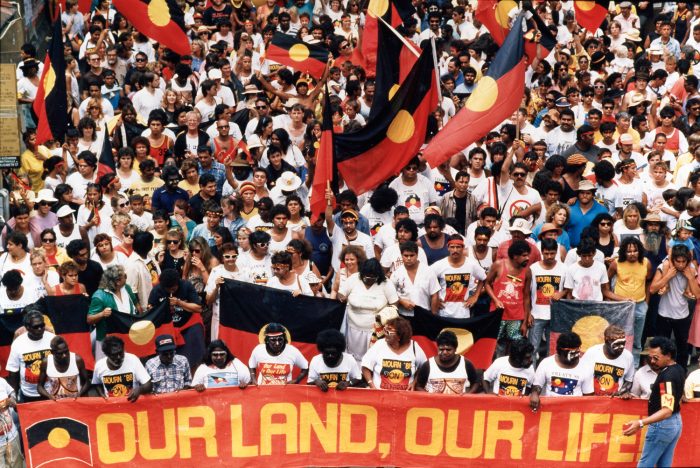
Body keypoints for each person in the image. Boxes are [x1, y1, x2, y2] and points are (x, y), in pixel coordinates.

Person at [623, 337, 685, 468]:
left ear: (668, 356)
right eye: (650, 357)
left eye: (656, 358)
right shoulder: (679, 369)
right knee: (664, 463)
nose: (652, 361)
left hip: (662, 425)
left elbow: (667, 410)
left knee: (645, 464)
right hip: (676, 422)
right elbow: (677, 398)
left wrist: (640, 423)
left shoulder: (666, 377)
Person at [338, 259, 399, 363]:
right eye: (366, 276)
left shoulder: (386, 283)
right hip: (353, 328)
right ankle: (356, 375)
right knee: (353, 355)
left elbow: (394, 303)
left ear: (378, 276)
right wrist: (342, 297)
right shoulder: (353, 279)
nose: (369, 279)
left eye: (373, 277)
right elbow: (341, 293)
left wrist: (385, 316)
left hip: (375, 329)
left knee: (372, 356)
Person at [649, 244, 700, 369]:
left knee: (682, 349)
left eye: (684, 261)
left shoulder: (691, 269)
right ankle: (661, 372)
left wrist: (690, 278)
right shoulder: (664, 267)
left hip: (682, 315)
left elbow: (697, 295)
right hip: (664, 315)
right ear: (673, 260)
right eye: (678, 261)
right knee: (662, 348)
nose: (681, 264)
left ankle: (681, 373)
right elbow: (652, 289)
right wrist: (667, 276)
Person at [607, 237, 652, 366]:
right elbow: (606, 281)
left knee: (637, 339)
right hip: (621, 306)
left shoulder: (646, 263)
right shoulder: (616, 263)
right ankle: (618, 363)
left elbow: (648, 282)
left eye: (635, 251)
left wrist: (646, 302)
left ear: (640, 251)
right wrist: (612, 299)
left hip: (640, 305)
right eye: (629, 251)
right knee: (619, 336)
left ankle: (635, 365)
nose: (632, 254)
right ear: (623, 252)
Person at [148, 269, 205, 369]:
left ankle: (193, 371)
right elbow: (150, 308)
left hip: (187, 324)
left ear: (178, 283)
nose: (170, 291)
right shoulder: (157, 289)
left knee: (193, 352)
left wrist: (180, 303)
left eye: (173, 289)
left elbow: (198, 308)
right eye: (168, 289)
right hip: (166, 327)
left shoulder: (186, 286)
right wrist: (155, 309)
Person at [484, 240, 533, 356]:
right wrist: (496, 300)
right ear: (515, 256)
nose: (527, 258)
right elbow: (487, 284)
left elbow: (526, 297)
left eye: (528, 255)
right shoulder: (499, 265)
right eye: (524, 255)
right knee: (495, 346)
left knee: (515, 346)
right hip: (497, 315)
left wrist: (525, 322)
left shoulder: (527, 271)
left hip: (516, 316)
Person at [529, 332, 594, 411]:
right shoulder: (546, 363)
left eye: (576, 354)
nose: (574, 358)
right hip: (549, 411)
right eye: (571, 355)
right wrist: (535, 393)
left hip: (574, 413)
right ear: (559, 351)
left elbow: (588, 396)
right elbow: (537, 385)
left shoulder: (586, 367)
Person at [88, 265, 141, 360]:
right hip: (107, 343)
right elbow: (89, 319)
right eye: (124, 276)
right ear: (117, 281)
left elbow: (136, 304)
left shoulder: (127, 288)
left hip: (129, 339)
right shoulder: (99, 296)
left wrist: (141, 317)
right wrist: (102, 314)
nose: (126, 277)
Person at [361, 316, 427, 391]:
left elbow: (424, 368)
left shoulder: (415, 348)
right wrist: (372, 386)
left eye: (388, 332)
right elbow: (365, 366)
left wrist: (414, 383)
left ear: (399, 336)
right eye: (385, 330)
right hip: (380, 396)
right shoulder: (379, 345)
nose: (385, 334)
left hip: (405, 397)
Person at [5, 310, 55, 402]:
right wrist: (15, 396)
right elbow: (13, 372)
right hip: (28, 394)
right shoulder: (18, 343)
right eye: (36, 327)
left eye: (42, 325)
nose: (40, 329)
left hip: (52, 392)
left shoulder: (52, 338)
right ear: (27, 327)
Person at [431, 235, 485, 318]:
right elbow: (426, 279)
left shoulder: (471, 264)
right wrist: (434, 298)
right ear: (448, 248)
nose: (455, 250)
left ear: (463, 248)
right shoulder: (440, 265)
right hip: (444, 313)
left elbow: (484, 278)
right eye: (452, 247)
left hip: (463, 313)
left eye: (458, 247)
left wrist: (475, 296)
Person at [528, 238, 566, 360]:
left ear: (556, 252)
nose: (549, 256)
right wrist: (528, 313)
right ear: (541, 252)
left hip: (555, 315)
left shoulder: (564, 269)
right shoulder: (533, 268)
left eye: (552, 253)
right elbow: (527, 293)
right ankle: (532, 377)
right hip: (536, 315)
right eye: (546, 253)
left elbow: (569, 288)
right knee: (532, 349)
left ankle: (550, 377)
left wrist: (562, 293)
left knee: (553, 351)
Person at [414, 330, 480, 394]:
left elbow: (476, 383)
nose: (445, 352)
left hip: (459, 404)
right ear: (437, 348)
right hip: (433, 405)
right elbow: (418, 386)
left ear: (455, 349)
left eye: (448, 349)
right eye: (441, 349)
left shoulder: (466, 363)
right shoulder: (428, 365)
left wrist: (468, 395)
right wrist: (429, 396)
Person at [92, 336, 152, 401]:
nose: (118, 357)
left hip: (132, 404)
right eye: (114, 355)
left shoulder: (133, 360)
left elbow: (148, 385)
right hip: (112, 407)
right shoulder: (99, 365)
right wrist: (102, 395)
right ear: (106, 354)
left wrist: (139, 390)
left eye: (120, 353)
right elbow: (96, 383)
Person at [581, 325, 635, 396]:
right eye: (617, 344)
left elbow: (629, 381)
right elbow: (581, 376)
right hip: (591, 399)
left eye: (623, 343)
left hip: (614, 401)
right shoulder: (592, 352)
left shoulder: (628, 356)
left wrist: (621, 392)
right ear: (606, 340)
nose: (621, 347)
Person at [390, 241, 440, 316]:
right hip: (403, 315)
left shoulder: (428, 271)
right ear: (401, 255)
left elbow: (434, 295)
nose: (409, 258)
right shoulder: (396, 274)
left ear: (417, 255)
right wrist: (401, 301)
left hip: (424, 314)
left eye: (412, 255)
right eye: (406, 255)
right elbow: (390, 295)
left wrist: (433, 316)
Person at [37, 335, 90, 400]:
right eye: (60, 353)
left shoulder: (77, 360)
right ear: (52, 352)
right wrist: (49, 396)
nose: (64, 355)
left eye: (66, 351)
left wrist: (79, 394)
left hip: (75, 403)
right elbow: (39, 386)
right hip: (56, 404)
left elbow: (87, 382)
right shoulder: (46, 362)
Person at [125, 231, 160, 311]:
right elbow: (132, 290)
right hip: (146, 307)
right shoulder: (132, 264)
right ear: (146, 245)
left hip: (158, 301)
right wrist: (139, 309)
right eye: (151, 242)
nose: (152, 243)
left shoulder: (149, 256)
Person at [0, 375, 22, 467]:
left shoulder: (1, 381)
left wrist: (12, 400)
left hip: (12, 436)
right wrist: (4, 403)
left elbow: (12, 392)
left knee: (17, 465)